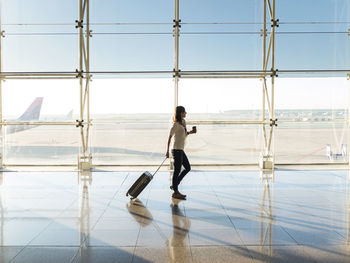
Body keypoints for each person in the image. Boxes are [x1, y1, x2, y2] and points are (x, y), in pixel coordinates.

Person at [166, 106, 196, 200]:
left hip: (181, 150)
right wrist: (167, 151)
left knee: (187, 168)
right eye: (184, 112)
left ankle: (175, 185)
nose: (186, 113)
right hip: (176, 150)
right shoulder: (175, 124)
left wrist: (191, 132)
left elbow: (184, 134)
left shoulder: (183, 122)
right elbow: (170, 137)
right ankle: (175, 192)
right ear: (180, 113)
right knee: (177, 171)